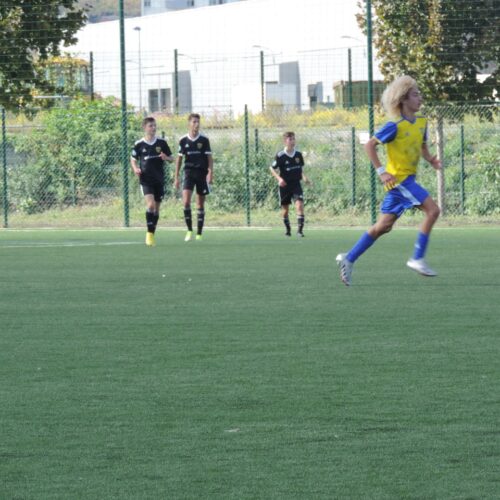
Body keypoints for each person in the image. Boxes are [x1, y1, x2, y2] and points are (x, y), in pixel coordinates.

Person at [336, 75, 442, 286]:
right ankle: (417, 258)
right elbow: (369, 145)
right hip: (400, 180)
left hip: (403, 182)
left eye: (419, 94)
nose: (420, 98)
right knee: (433, 211)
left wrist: (430, 159)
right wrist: (381, 172)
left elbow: (421, 145)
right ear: (402, 99)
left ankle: (349, 258)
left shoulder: (422, 122)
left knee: (383, 226)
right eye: (415, 95)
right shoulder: (394, 125)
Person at [131, 117, 174, 246]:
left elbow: (172, 158)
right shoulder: (139, 144)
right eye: (150, 126)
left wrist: (166, 157)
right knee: (151, 206)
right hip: (146, 180)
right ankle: (149, 235)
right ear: (144, 127)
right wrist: (135, 168)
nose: (153, 128)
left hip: (159, 180)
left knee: (156, 210)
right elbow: (133, 159)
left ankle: (152, 233)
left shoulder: (161, 143)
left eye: (154, 125)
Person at [174, 113, 213, 241]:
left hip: (201, 174)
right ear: (189, 123)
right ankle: (189, 230)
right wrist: (176, 177)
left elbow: (209, 158)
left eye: (198, 122)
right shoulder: (183, 140)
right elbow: (179, 159)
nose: (196, 124)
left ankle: (199, 233)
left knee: (200, 204)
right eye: (194, 122)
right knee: (186, 202)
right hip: (188, 173)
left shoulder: (204, 140)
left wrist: (210, 173)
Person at [270, 131, 311, 237]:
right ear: (285, 141)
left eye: (294, 139)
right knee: (285, 210)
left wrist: (304, 177)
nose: (293, 141)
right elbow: (272, 168)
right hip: (285, 186)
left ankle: (300, 231)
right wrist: (279, 179)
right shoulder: (280, 155)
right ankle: (288, 230)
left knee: (299, 205)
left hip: (296, 185)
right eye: (290, 139)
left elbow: (300, 169)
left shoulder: (298, 155)